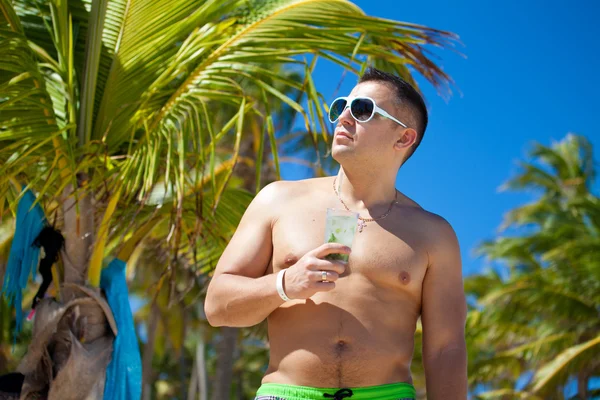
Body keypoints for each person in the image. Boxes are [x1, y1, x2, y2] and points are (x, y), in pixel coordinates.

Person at [205, 67, 467, 400]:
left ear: (403, 138)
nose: (342, 117)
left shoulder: (433, 234)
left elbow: (446, 348)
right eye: (341, 106)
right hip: (286, 394)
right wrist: (285, 284)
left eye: (362, 110)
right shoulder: (279, 200)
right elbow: (216, 306)